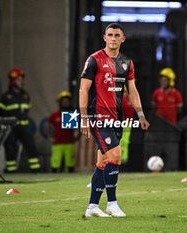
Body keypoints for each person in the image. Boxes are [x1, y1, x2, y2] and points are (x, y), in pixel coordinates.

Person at [80, 23, 150, 218]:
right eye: (109, 34)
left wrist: (141, 114)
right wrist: (84, 117)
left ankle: (92, 207)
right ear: (104, 38)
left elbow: (132, 91)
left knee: (103, 161)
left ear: (122, 39)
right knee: (116, 155)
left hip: (116, 119)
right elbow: (83, 89)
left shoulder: (127, 63)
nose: (112, 38)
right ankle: (112, 203)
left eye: (116, 35)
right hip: (97, 117)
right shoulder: (94, 60)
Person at [0, 68, 41, 173]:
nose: (22, 81)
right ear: (13, 81)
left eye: (22, 79)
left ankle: (35, 168)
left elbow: (26, 110)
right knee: (10, 147)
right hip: (11, 127)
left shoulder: (25, 95)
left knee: (31, 146)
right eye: (19, 79)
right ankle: (11, 169)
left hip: (24, 126)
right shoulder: (5, 97)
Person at [47, 91, 77, 173]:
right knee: (55, 164)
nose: (65, 103)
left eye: (67, 101)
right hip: (57, 143)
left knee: (70, 164)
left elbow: (78, 128)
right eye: (64, 102)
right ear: (60, 103)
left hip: (69, 143)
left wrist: (77, 137)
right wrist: (50, 137)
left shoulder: (72, 114)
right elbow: (48, 126)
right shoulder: (55, 115)